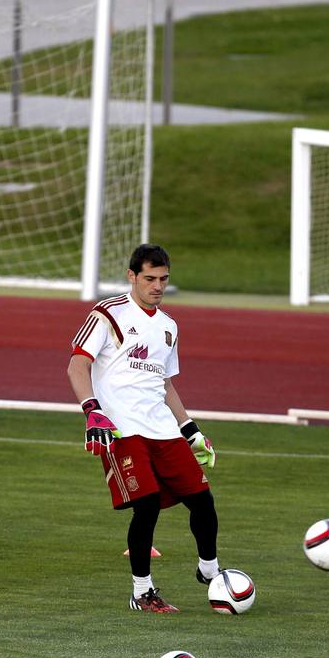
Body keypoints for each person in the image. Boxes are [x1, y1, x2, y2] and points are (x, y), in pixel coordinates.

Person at [66, 243, 223, 613]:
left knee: (202, 499)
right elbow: (77, 365)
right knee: (147, 505)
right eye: (149, 278)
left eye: (163, 279)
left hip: (163, 429)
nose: (157, 286)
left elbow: (165, 382)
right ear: (132, 276)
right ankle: (142, 592)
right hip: (120, 428)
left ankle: (211, 572)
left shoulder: (169, 327)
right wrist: (92, 410)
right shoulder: (108, 313)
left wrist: (190, 428)